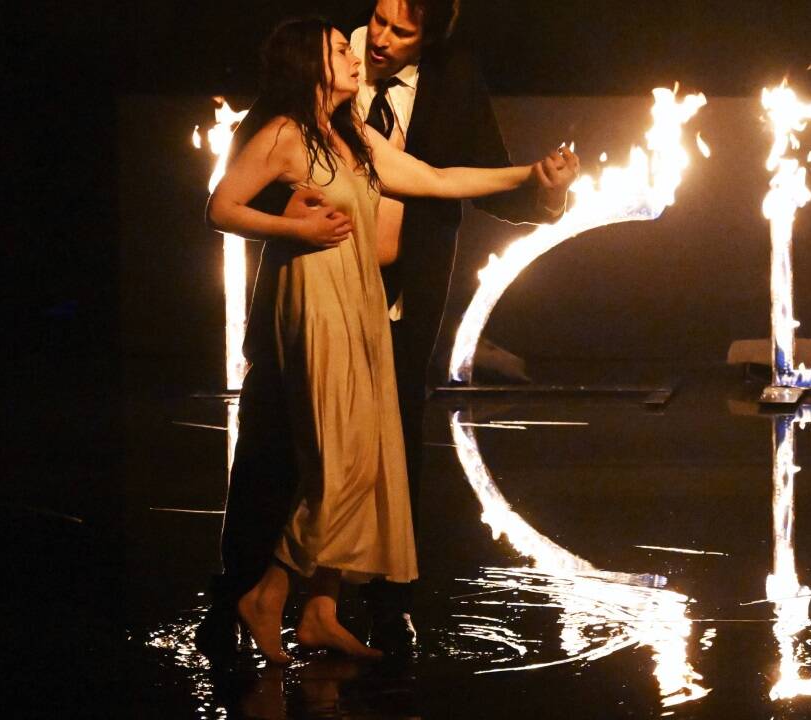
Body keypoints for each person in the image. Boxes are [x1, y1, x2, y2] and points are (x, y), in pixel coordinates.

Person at [204, 16, 562, 664]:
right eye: (344, 45)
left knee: (363, 459)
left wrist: (529, 176)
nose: (360, 47)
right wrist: (293, 230)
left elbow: (439, 179)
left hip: (363, 304)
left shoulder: (352, 136)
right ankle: (262, 593)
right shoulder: (286, 132)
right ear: (312, 64)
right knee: (332, 463)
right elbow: (222, 205)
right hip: (313, 301)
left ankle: (317, 613)